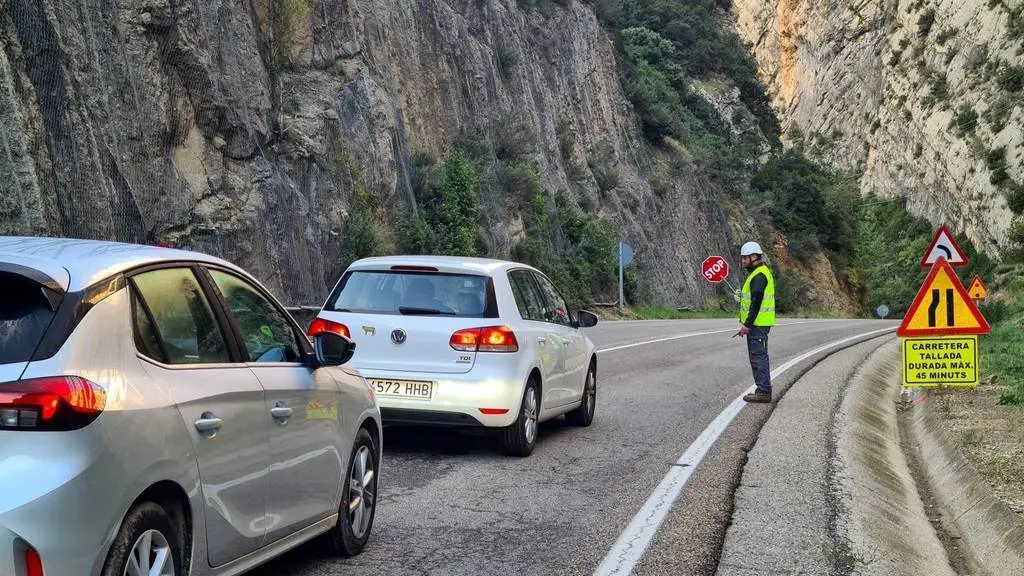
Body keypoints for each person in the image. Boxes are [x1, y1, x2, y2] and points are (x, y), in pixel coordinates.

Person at [734, 241, 776, 403]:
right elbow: (752, 297)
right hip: (758, 324)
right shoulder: (759, 273)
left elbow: (757, 301)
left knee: (758, 356)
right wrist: (741, 297)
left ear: (754, 257)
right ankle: (762, 389)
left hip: (758, 324)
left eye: (745, 258)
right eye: (742, 258)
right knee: (757, 356)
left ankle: (764, 391)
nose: (743, 261)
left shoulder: (759, 275)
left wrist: (747, 324)